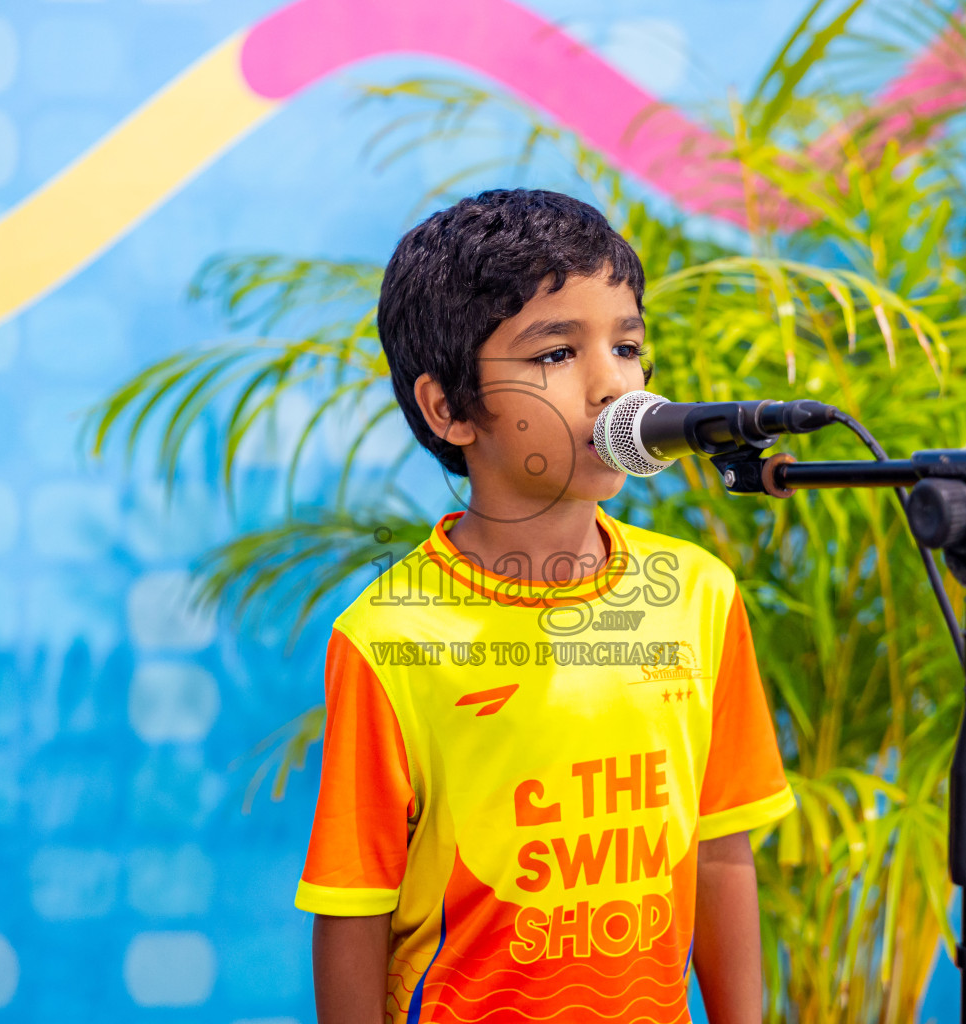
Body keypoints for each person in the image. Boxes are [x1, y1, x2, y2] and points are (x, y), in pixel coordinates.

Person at [294, 188, 796, 1024]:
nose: (612, 385)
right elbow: (354, 906)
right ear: (449, 408)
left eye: (627, 345)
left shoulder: (700, 596)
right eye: (556, 355)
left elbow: (719, 855)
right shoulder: (390, 637)